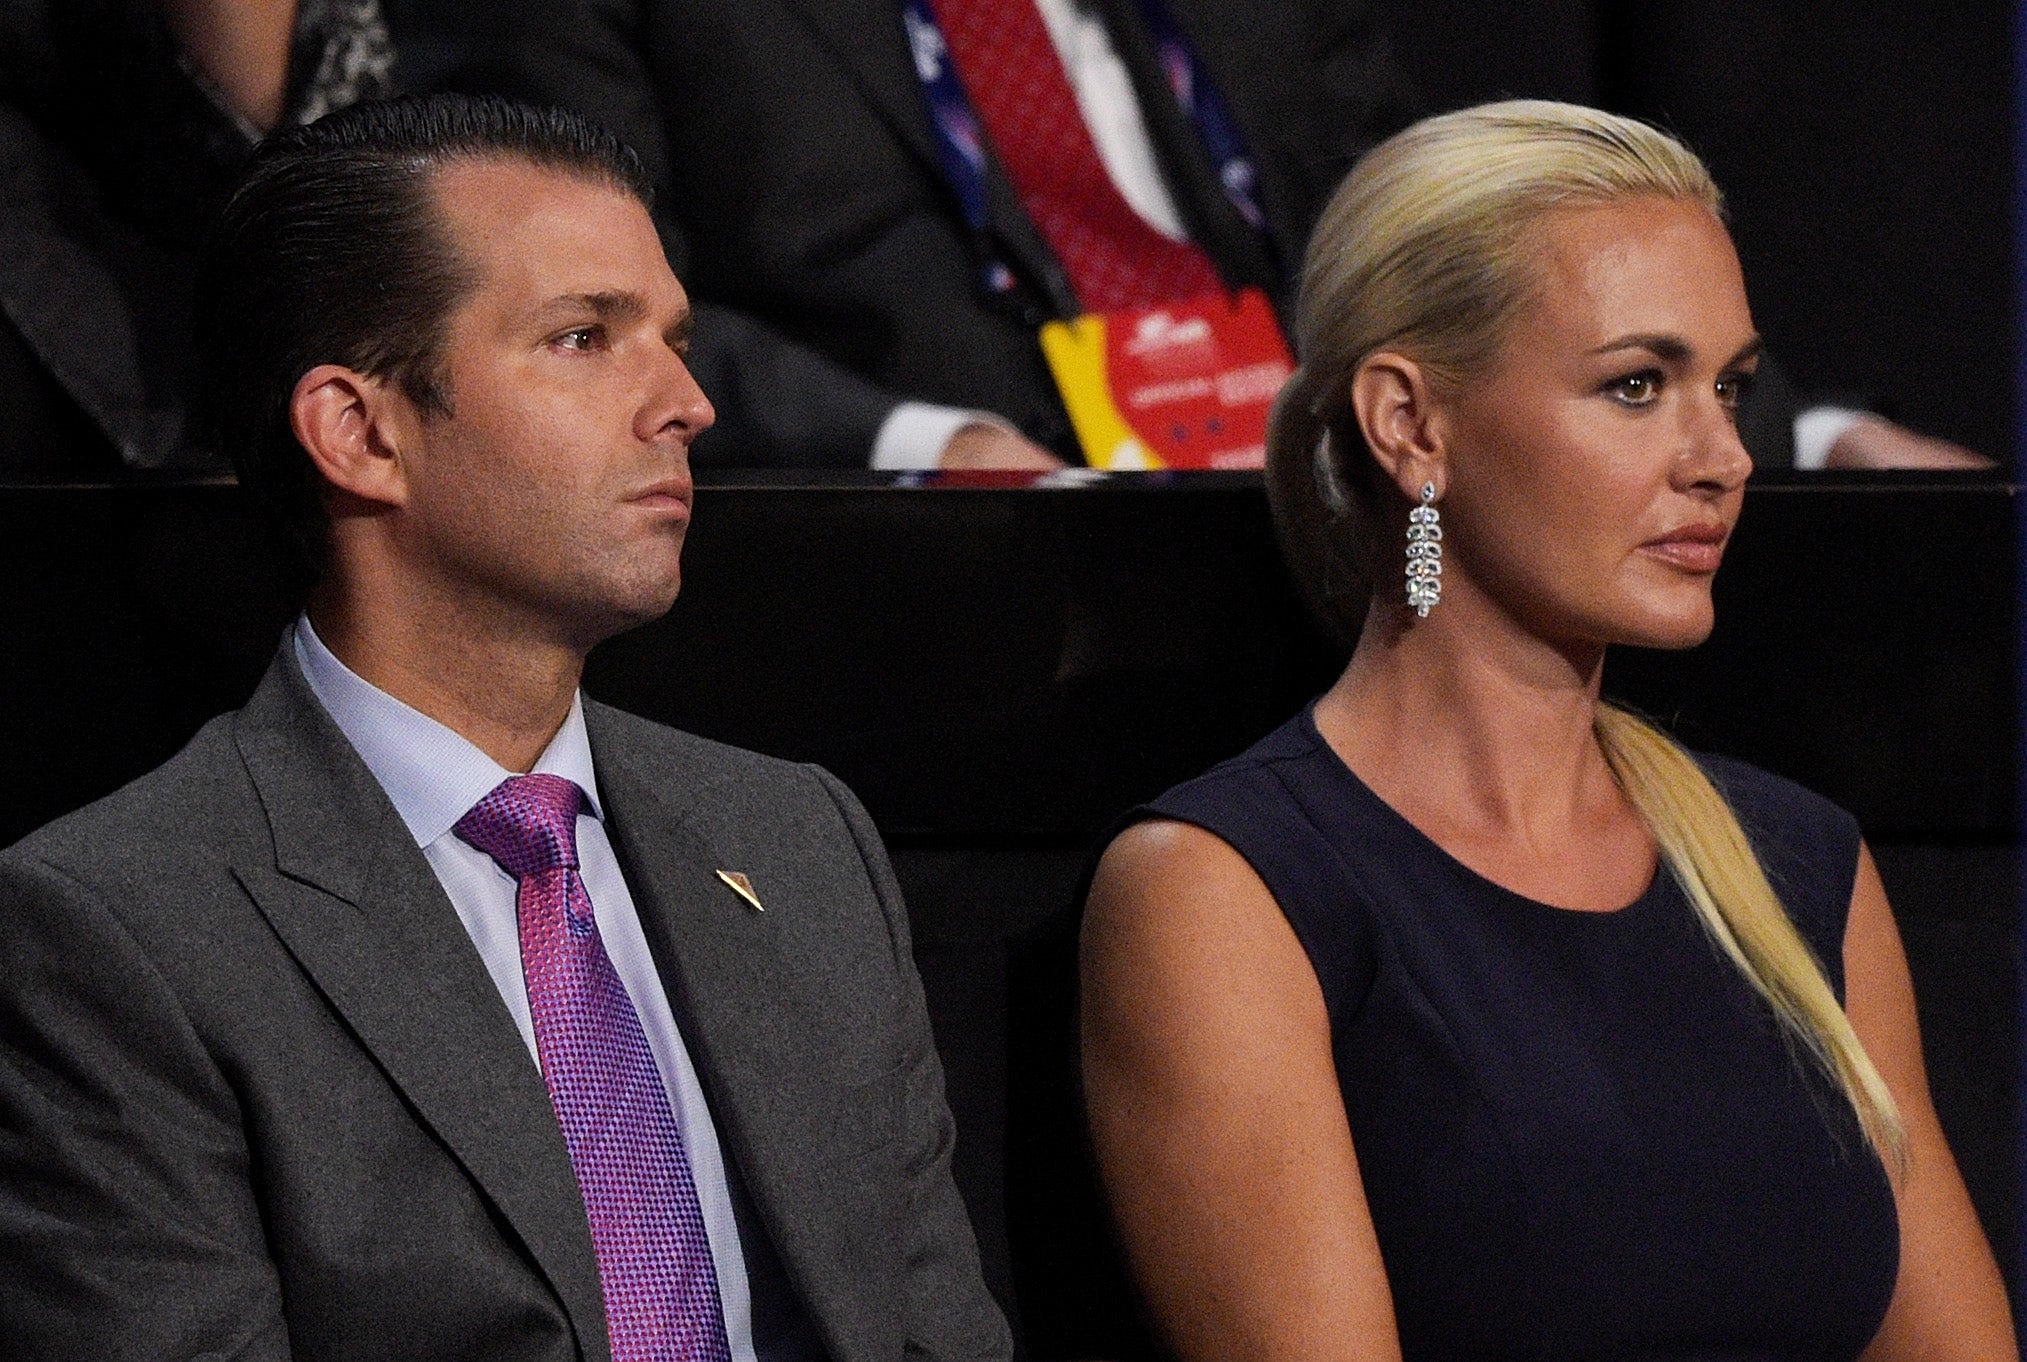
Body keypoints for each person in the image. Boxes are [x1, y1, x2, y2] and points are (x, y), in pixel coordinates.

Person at [0, 94, 1012, 1362]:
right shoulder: (118, 927)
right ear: (361, 432)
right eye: (586, 338)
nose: (688, 403)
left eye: (675, 338)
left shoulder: (799, 839)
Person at [1078, 101, 2014, 1360]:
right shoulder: (1224, 893)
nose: (1721, 456)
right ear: (1409, 425)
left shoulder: (1794, 863)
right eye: (1636, 385)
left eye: (1727, 388)